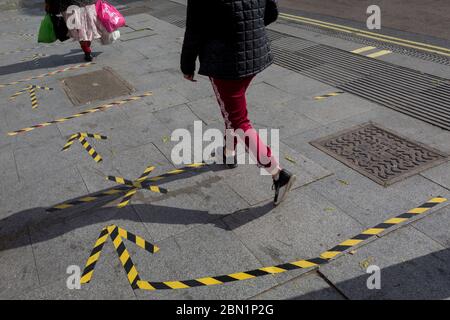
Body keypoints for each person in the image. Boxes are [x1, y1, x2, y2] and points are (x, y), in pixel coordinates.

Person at [181, 0, 296, 206]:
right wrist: (247, 33)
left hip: (224, 62)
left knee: (238, 121)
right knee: (232, 113)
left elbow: (194, 30)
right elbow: (271, 13)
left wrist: (187, 65)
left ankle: (278, 174)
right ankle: (229, 153)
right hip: (254, 54)